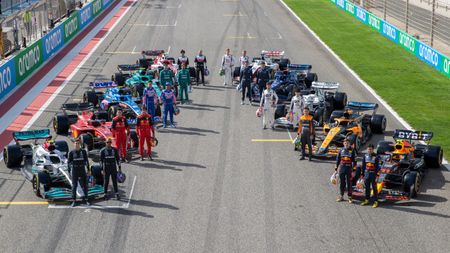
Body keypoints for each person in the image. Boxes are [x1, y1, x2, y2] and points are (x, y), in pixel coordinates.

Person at [68, 139, 90, 207]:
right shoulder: (71, 152)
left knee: (85, 185)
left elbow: (87, 161)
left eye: (78, 143)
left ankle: (86, 199)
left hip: (82, 170)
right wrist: (69, 172)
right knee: (74, 186)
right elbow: (68, 163)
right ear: (74, 144)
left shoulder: (83, 152)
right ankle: (74, 200)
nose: (77, 144)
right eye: (75, 143)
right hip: (75, 171)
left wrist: (88, 170)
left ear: (80, 144)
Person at [335, 139, 357, 203]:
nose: (346, 144)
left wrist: (354, 171)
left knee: (349, 183)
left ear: (349, 144)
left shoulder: (352, 151)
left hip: (349, 169)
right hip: (342, 168)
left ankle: (350, 197)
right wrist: (336, 168)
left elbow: (355, 161)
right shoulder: (341, 150)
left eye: (347, 143)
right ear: (343, 143)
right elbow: (338, 160)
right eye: (345, 143)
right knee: (342, 183)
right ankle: (341, 196)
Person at [360, 144, 380, 208]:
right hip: (367, 174)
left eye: (371, 149)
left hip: (373, 175)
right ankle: (367, 200)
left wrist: (377, 176)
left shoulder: (376, 157)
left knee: (374, 188)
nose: (369, 150)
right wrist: (362, 174)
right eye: (368, 149)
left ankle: (376, 201)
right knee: (367, 188)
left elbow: (378, 167)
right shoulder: (365, 156)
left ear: (373, 149)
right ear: (367, 149)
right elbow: (363, 166)